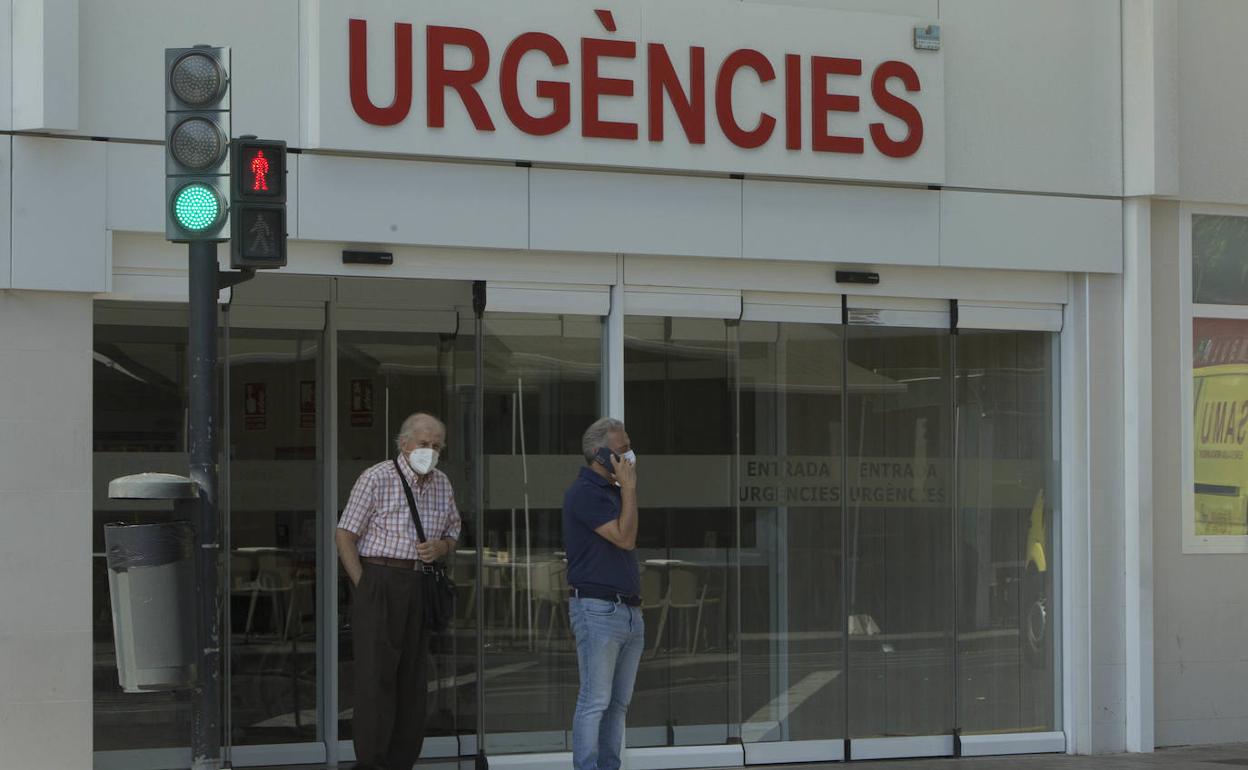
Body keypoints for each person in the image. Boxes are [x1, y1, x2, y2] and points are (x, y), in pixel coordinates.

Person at [335, 412, 461, 770]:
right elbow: (345, 534)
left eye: (437, 446)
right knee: (376, 679)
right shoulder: (376, 478)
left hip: (420, 581)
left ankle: (402, 760)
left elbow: (454, 530)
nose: (430, 451)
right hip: (380, 576)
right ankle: (372, 762)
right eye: (424, 444)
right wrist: (363, 584)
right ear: (404, 443)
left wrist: (442, 547)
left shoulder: (442, 483)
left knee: (413, 679)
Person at [563, 417, 642, 770]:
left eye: (628, 446)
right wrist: (628, 489)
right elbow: (625, 538)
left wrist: (624, 489)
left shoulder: (612, 491)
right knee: (595, 699)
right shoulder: (584, 493)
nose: (628, 454)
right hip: (597, 609)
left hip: (627, 610)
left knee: (618, 703)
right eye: (622, 448)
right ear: (599, 453)